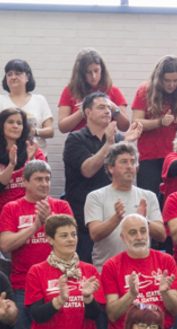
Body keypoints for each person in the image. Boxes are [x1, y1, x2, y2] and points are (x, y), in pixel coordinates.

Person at [0, 160, 73, 329]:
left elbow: (70, 244)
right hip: (23, 286)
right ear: (25, 182)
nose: (44, 184)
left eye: (47, 179)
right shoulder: (13, 207)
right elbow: (5, 245)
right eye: (38, 179)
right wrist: (35, 225)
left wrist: (50, 222)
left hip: (57, 285)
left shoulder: (61, 207)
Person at [62, 93, 144, 262]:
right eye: (101, 107)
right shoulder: (75, 139)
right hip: (84, 220)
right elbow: (88, 170)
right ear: (88, 112)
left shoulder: (119, 139)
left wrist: (126, 144)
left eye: (109, 107)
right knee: (87, 270)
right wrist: (109, 144)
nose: (108, 111)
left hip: (114, 215)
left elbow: (128, 173)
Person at [102, 215, 177, 329]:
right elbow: (112, 315)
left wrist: (165, 293)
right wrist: (131, 294)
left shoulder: (166, 261)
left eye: (143, 231)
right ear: (123, 238)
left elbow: (175, 310)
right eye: (133, 233)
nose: (139, 237)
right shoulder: (111, 265)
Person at [85, 142, 164, 270]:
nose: (129, 166)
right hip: (107, 270)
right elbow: (95, 235)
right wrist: (117, 217)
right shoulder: (96, 196)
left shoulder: (149, 196)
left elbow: (161, 235)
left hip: (141, 270)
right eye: (124, 162)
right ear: (111, 168)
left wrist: (143, 220)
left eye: (133, 162)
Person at [131, 55, 177, 197]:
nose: (171, 85)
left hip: (175, 156)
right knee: (148, 199)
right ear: (159, 79)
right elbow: (135, 123)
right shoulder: (145, 91)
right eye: (167, 80)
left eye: (175, 81)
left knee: (175, 198)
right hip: (150, 156)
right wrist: (159, 122)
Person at [0, 107, 45, 213]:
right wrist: (11, 165)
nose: (15, 126)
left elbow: (42, 186)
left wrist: (32, 160)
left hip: (31, 210)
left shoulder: (34, 151)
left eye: (19, 123)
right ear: (1, 126)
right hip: (2, 212)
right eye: (10, 122)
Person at [0, 59, 55, 151]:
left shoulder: (39, 100)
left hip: (36, 155)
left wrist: (33, 132)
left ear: (28, 77)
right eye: (9, 74)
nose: (13, 77)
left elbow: (50, 131)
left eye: (18, 74)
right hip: (5, 154)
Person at [58, 49, 129, 134]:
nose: (93, 76)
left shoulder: (113, 90)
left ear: (102, 69)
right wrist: (83, 111)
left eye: (96, 71)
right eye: (88, 72)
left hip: (106, 139)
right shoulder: (70, 90)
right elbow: (62, 128)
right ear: (81, 73)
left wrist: (113, 107)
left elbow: (125, 126)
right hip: (79, 139)